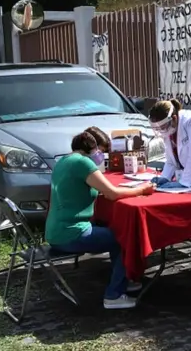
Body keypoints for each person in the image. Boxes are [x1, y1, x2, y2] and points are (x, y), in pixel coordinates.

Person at [45, 126, 156, 310]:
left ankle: (124, 280)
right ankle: (114, 295)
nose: (101, 155)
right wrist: (141, 190)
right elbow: (112, 193)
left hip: (56, 231)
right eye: (100, 151)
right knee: (123, 238)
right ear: (92, 147)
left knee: (111, 233)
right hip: (71, 233)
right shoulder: (83, 163)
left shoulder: (65, 160)